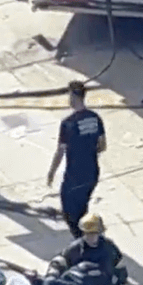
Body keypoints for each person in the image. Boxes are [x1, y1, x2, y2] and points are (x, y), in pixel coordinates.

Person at [47, 81, 107, 239]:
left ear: (73, 96)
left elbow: (60, 152)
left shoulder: (68, 123)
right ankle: (89, 235)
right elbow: (102, 145)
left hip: (74, 174)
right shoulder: (95, 118)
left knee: (69, 212)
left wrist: (51, 173)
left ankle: (86, 240)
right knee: (82, 207)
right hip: (92, 172)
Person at [45, 213, 128, 285]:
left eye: (94, 233)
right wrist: (52, 275)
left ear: (100, 232)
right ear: (83, 233)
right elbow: (60, 261)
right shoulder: (76, 248)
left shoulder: (109, 247)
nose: (91, 237)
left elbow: (120, 266)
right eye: (88, 233)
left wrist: (119, 279)